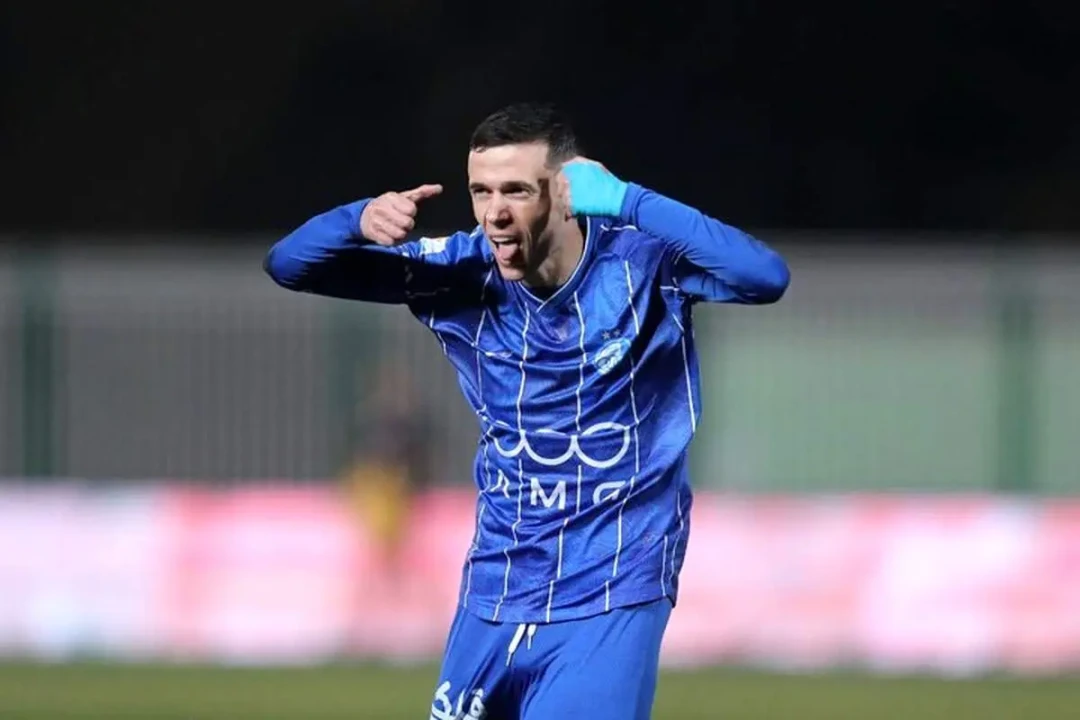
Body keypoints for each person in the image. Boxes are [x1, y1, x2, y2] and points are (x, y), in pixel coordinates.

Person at [264, 102, 790, 720]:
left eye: (516, 190)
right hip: (494, 589)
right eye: (481, 192)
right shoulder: (459, 272)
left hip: (614, 590)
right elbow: (289, 265)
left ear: (566, 193)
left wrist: (627, 199)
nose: (495, 213)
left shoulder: (644, 265)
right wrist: (357, 218)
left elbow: (764, 276)